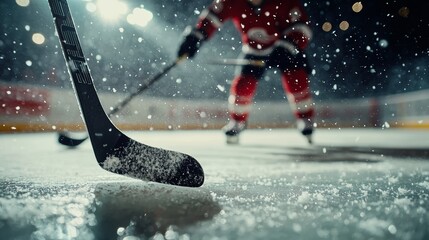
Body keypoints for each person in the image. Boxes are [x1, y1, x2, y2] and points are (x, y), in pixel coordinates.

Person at [177, 0, 315, 144]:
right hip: (253, 49)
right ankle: (237, 122)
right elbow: (212, 16)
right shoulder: (231, 2)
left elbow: (302, 26)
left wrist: (287, 45)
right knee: (243, 86)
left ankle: (306, 119)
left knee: (296, 80)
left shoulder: (285, 3)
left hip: (287, 47)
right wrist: (195, 36)